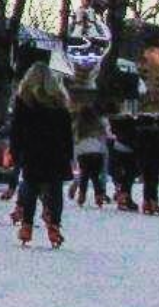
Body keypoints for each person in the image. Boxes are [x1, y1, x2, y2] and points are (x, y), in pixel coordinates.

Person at [9, 63, 73, 248]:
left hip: (32, 150)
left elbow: (17, 130)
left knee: (30, 184)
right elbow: (67, 132)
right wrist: (68, 155)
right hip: (56, 151)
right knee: (54, 189)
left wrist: (15, 151)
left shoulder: (24, 102)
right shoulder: (59, 102)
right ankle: (54, 225)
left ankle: (27, 225)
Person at [135, 114, 159, 216]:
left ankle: (146, 202)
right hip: (154, 159)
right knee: (153, 181)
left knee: (147, 181)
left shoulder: (138, 132)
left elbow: (137, 147)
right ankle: (153, 202)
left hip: (142, 159)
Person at [72, 104, 109, 207]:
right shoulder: (98, 123)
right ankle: (99, 196)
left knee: (84, 174)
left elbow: (74, 138)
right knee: (95, 176)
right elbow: (104, 135)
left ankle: (82, 195)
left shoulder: (78, 124)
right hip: (97, 151)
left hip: (83, 152)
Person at [107, 113, 139, 212]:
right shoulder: (132, 129)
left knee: (120, 174)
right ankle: (124, 197)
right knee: (130, 175)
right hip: (129, 152)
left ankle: (122, 193)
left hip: (117, 149)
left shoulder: (116, 129)